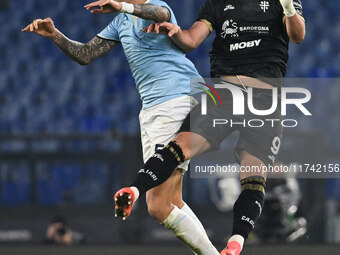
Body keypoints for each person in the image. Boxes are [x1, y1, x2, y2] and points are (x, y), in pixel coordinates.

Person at [22, 1, 219, 254]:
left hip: (172, 100)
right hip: (159, 105)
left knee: (157, 206)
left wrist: (122, 6)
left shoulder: (155, 7)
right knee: (173, 200)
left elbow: (160, 14)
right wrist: (54, 34)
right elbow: (85, 54)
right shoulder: (120, 22)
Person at [115, 0, 305, 254]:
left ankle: (235, 241)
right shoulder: (217, 3)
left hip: (264, 100)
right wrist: (176, 32)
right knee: (182, 146)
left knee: (251, 175)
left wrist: (289, 7)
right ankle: (134, 191)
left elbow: (297, 35)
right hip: (225, 92)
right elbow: (192, 39)